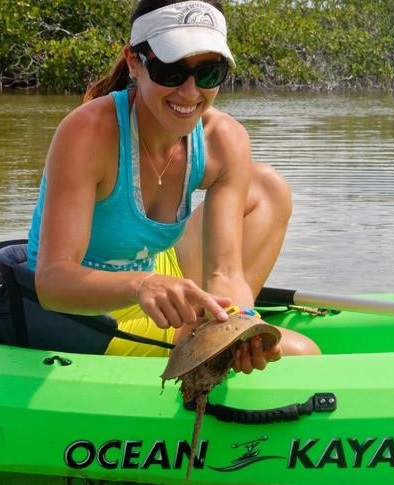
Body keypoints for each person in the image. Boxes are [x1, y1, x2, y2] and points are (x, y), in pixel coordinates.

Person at [26, 0, 321, 372]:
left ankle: (207, 337)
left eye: (209, 73)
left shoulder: (224, 139)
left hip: (152, 270)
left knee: (266, 187)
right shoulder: (87, 133)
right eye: (170, 71)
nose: (189, 92)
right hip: (83, 316)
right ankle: (190, 344)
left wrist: (240, 322)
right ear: (134, 63)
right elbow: (51, 283)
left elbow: (225, 273)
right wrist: (142, 284)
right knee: (304, 354)